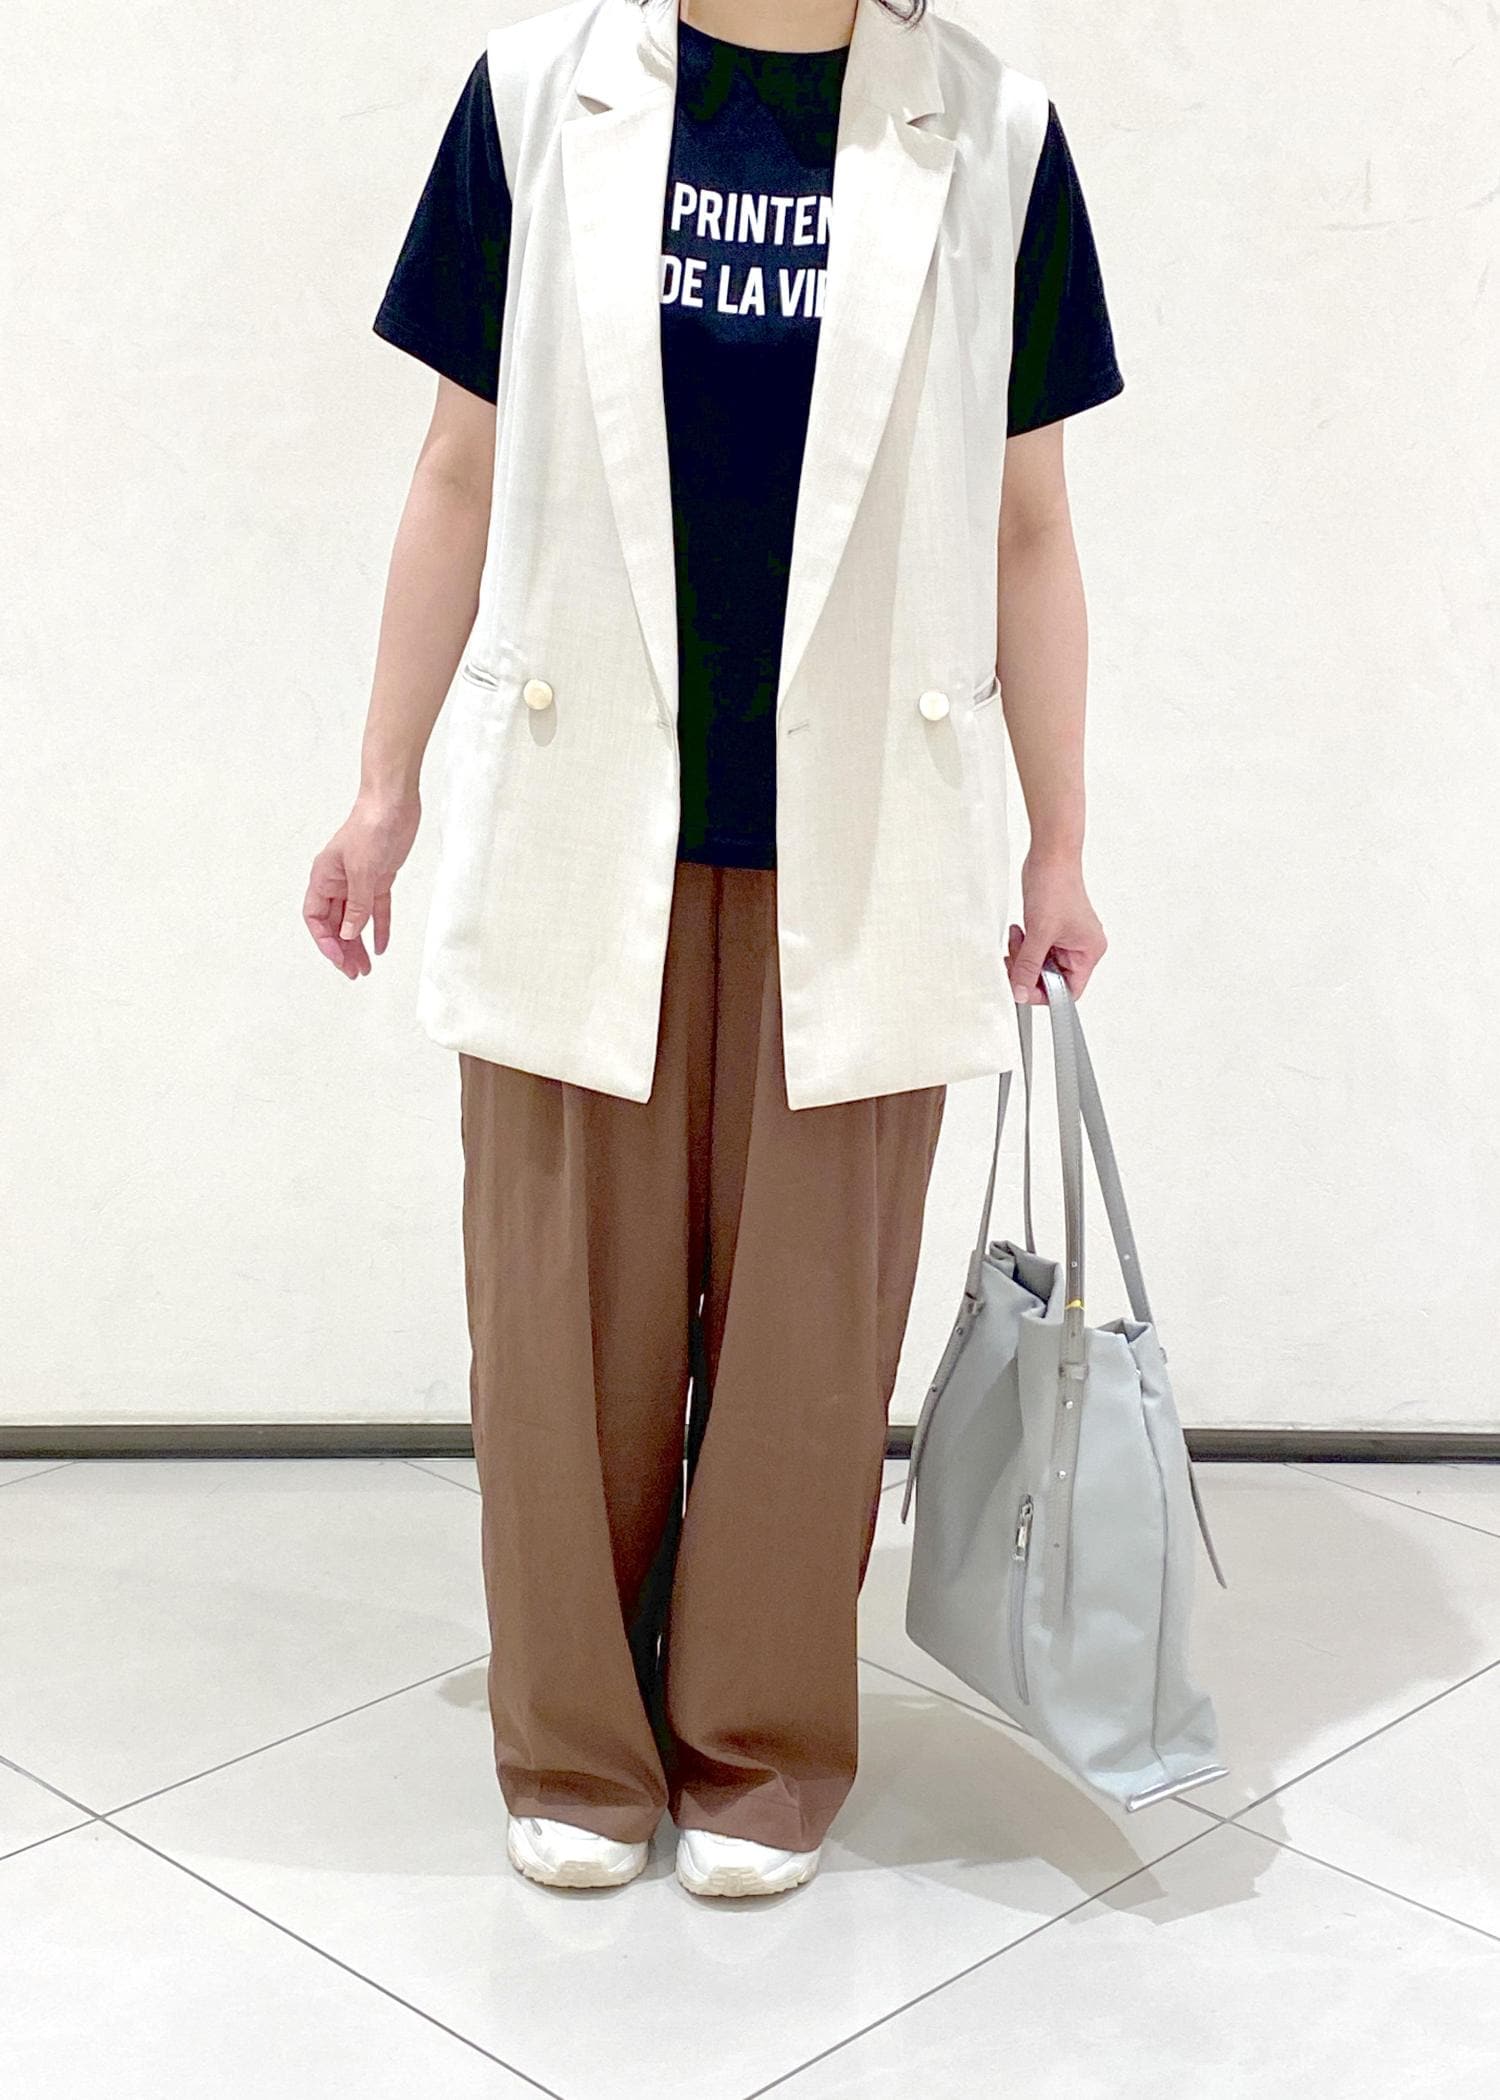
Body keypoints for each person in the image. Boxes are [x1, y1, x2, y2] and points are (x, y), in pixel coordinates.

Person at [303, 0, 1119, 1901]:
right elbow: (456, 471)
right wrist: (381, 786)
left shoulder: (992, 130)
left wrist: (1063, 835)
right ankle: (574, 1744)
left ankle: (757, 1737)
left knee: (811, 1340)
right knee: (554, 1324)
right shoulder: (537, 98)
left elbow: (1031, 527)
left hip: (867, 826)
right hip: (584, 806)